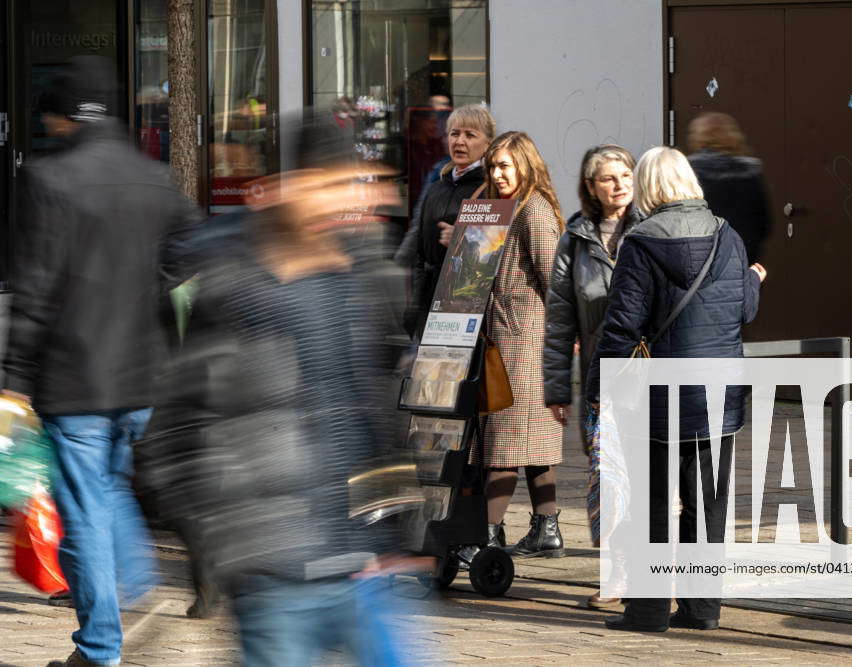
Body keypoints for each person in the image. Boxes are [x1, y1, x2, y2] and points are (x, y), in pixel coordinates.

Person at [149, 114, 414, 666]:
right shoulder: (232, 287)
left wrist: (398, 534)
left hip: (362, 566)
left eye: (357, 187)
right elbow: (174, 430)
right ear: (298, 187)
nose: (355, 206)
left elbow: (371, 413)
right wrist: (219, 543)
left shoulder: (354, 283)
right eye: (336, 186)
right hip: (274, 575)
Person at [1, 56, 202, 667]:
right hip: (139, 376)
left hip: (74, 378)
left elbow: (33, 291)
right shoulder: (154, 178)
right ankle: (139, 586)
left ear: (61, 118)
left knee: (84, 507)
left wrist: (12, 380)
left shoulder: (47, 178)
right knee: (110, 490)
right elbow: (189, 257)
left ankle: (100, 646)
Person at [585, 146, 765, 633]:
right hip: (718, 395)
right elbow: (742, 313)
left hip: (657, 396)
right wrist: (752, 281)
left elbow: (622, 327)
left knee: (652, 502)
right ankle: (701, 609)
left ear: (648, 188)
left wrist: (599, 388)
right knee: (707, 502)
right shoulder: (729, 237)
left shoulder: (640, 244)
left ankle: (646, 611)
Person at [543, 144, 639, 604]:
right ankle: (617, 572)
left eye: (625, 175)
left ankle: (660, 572)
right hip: (600, 379)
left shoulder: (651, 228)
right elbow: (560, 319)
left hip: (651, 379)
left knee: (652, 477)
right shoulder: (576, 238)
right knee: (607, 476)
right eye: (608, 177)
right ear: (591, 187)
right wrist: (557, 387)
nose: (619, 184)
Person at [476, 131, 566, 557]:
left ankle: (487, 534)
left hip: (526, 340)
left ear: (525, 165)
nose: (496, 173)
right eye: (492, 166)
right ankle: (546, 528)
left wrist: (563, 339)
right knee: (529, 437)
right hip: (503, 337)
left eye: (505, 166)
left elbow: (555, 281)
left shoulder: (535, 212)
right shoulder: (500, 208)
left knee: (506, 440)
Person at [407, 104, 496, 336]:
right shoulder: (436, 187)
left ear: (487, 144)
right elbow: (420, 251)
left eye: (470, 135)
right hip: (428, 302)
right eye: (454, 133)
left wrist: (460, 240)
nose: (460, 141)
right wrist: (414, 305)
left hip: (462, 308)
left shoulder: (491, 190)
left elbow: (496, 254)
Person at [687, 112, 772, 265]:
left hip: (699, 258)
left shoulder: (687, 171)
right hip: (742, 254)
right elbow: (763, 222)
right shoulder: (749, 171)